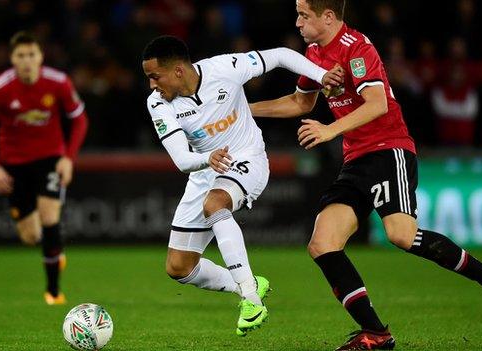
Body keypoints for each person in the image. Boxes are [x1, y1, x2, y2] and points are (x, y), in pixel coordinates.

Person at [249, 1, 482, 349]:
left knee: (401, 235)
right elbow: (301, 103)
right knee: (322, 244)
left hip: (387, 149)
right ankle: (377, 334)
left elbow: (377, 103)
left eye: (304, 15)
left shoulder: (357, 47)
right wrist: (245, 109)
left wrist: (331, 131)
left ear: (328, 17)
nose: (298, 22)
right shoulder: (314, 53)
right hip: (355, 160)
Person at [142, 35, 342, 336]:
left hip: (247, 158)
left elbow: (280, 54)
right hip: (203, 171)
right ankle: (248, 285)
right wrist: (207, 158)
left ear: (179, 71)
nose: (152, 85)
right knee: (179, 267)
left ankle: (250, 299)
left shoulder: (225, 68)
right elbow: (183, 160)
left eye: (155, 77)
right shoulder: (158, 103)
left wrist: (321, 75)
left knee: (215, 204)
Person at [0, 31, 88, 305]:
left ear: (40, 56)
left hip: (50, 158)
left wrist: (68, 158)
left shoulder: (58, 82)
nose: (26, 61)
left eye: (31, 54)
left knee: (49, 217)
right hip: (13, 165)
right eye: (20, 55)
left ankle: (54, 292)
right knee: (31, 235)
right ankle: (54, 252)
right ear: (12, 58)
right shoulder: (0, 87)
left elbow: (80, 119)